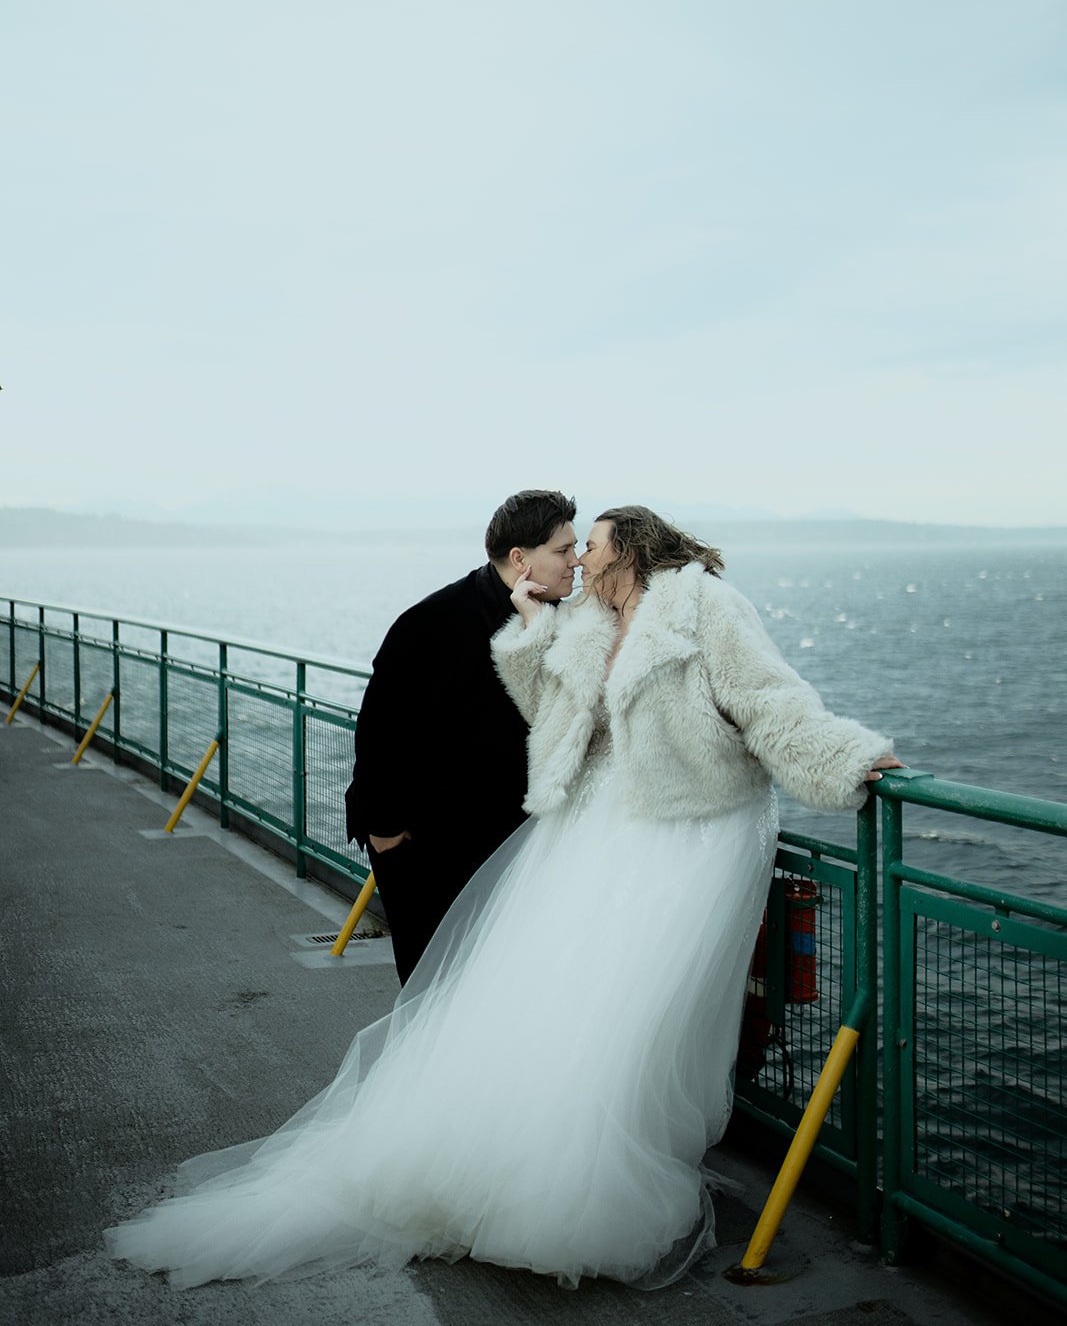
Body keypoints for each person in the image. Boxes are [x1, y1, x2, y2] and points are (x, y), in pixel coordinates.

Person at [106, 506, 900, 1291]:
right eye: (573, 546)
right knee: (570, 1000)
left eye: (590, 545)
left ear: (633, 548)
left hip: (690, 828)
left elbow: (769, 700)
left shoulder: (706, 606)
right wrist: (527, 629)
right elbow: (552, 717)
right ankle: (540, 1171)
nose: (581, 559)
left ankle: (602, 1154)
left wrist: (844, 759)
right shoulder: (586, 617)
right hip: (603, 826)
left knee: (634, 1004)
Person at [344, 489, 579, 983]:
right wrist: (386, 833)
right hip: (428, 855)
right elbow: (380, 732)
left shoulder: (557, 619)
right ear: (520, 559)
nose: (576, 562)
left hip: (509, 851)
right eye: (563, 550)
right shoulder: (430, 623)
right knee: (433, 997)